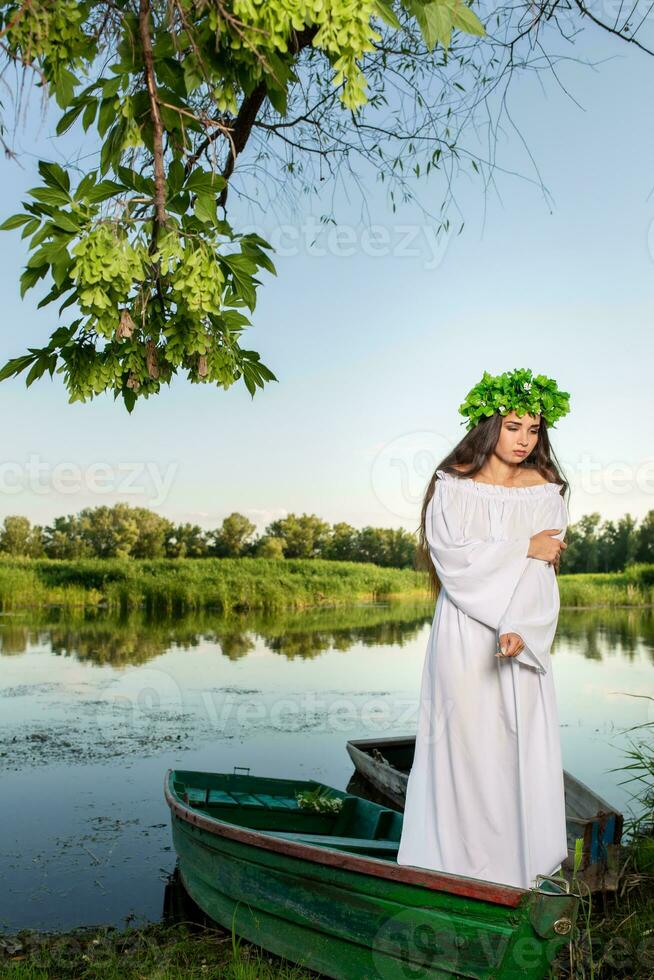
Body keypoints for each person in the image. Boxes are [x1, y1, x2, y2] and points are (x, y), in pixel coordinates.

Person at [396, 368, 571, 890]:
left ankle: (517, 875)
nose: (524, 440)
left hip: (518, 638)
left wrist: (520, 627)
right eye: (514, 427)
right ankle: (451, 870)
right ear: (489, 426)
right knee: (464, 748)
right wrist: (522, 546)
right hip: (463, 633)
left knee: (514, 749)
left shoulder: (546, 492)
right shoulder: (453, 485)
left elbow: (542, 572)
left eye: (534, 430)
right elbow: (455, 563)